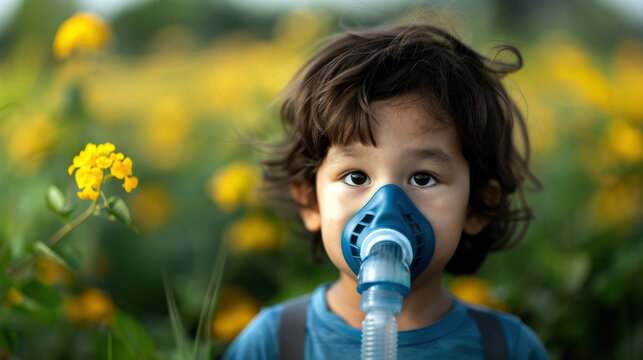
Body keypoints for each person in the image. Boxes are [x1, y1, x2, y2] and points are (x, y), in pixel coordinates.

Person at [223, 21, 549, 360]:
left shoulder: (508, 349)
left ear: (476, 206)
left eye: (423, 178)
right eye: (356, 176)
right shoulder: (274, 344)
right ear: (310, 201)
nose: (387, 208)